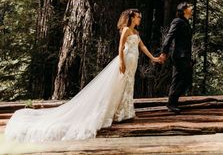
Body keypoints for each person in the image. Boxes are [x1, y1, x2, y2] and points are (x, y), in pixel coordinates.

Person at [5, 8, 161, 143]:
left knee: (129, 85)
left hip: (134, 60)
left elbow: (142, 46)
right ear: (132, 17)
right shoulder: (126, 30)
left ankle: (127, 111)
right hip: (126, 59)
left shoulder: (136, 32)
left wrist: (154, 58)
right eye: (138, 16)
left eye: (140, 17)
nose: (140, 19)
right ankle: (118, 112)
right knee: (120, 85)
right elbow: (120, 47)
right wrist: (121, 61)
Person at [158, 2, 193, 113]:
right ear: (183, 10)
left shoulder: (186, 22)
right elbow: (169, 36)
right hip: (179, 55)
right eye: (189, 7)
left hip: (185, 55)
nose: (192, 8)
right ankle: (171, 103)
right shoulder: (177, 21)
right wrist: (164, 52)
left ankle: (172, 103)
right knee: (183, 78)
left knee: (180, 79)